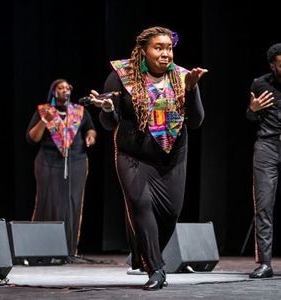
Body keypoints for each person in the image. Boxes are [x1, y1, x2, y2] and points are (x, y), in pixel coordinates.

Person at [91, 26, 207, 290]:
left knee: (170, 213)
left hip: (172, 157)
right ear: (143, 50)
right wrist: (109, 108)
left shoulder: (183, 77)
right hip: (134, 156)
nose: (166, 53)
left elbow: (197, 122)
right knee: (140, 205)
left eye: (169, 48)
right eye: (159, 47)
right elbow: (109, 123)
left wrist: (191, 90)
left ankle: (143, 250)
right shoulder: (122, 76)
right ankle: (156, 268)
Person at [26, 79, 97, 259]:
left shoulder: (80, 111)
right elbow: (32, 138)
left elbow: (90, 129)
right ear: (53, 91)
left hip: (77, 162)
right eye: (60, 88)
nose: (65, 90)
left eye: (67, 88)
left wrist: (90, 136)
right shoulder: (44, 110)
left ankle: (69, 250)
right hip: (48, 162)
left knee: (72, 204)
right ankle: (41, 249)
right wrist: (44, 121)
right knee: (48, 203)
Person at [247, 43, 281, 279]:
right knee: (264, 205)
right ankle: (265, 264)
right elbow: (250, 116)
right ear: (273, 65)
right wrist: (253, 108)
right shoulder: (260, 84)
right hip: (267, 147)